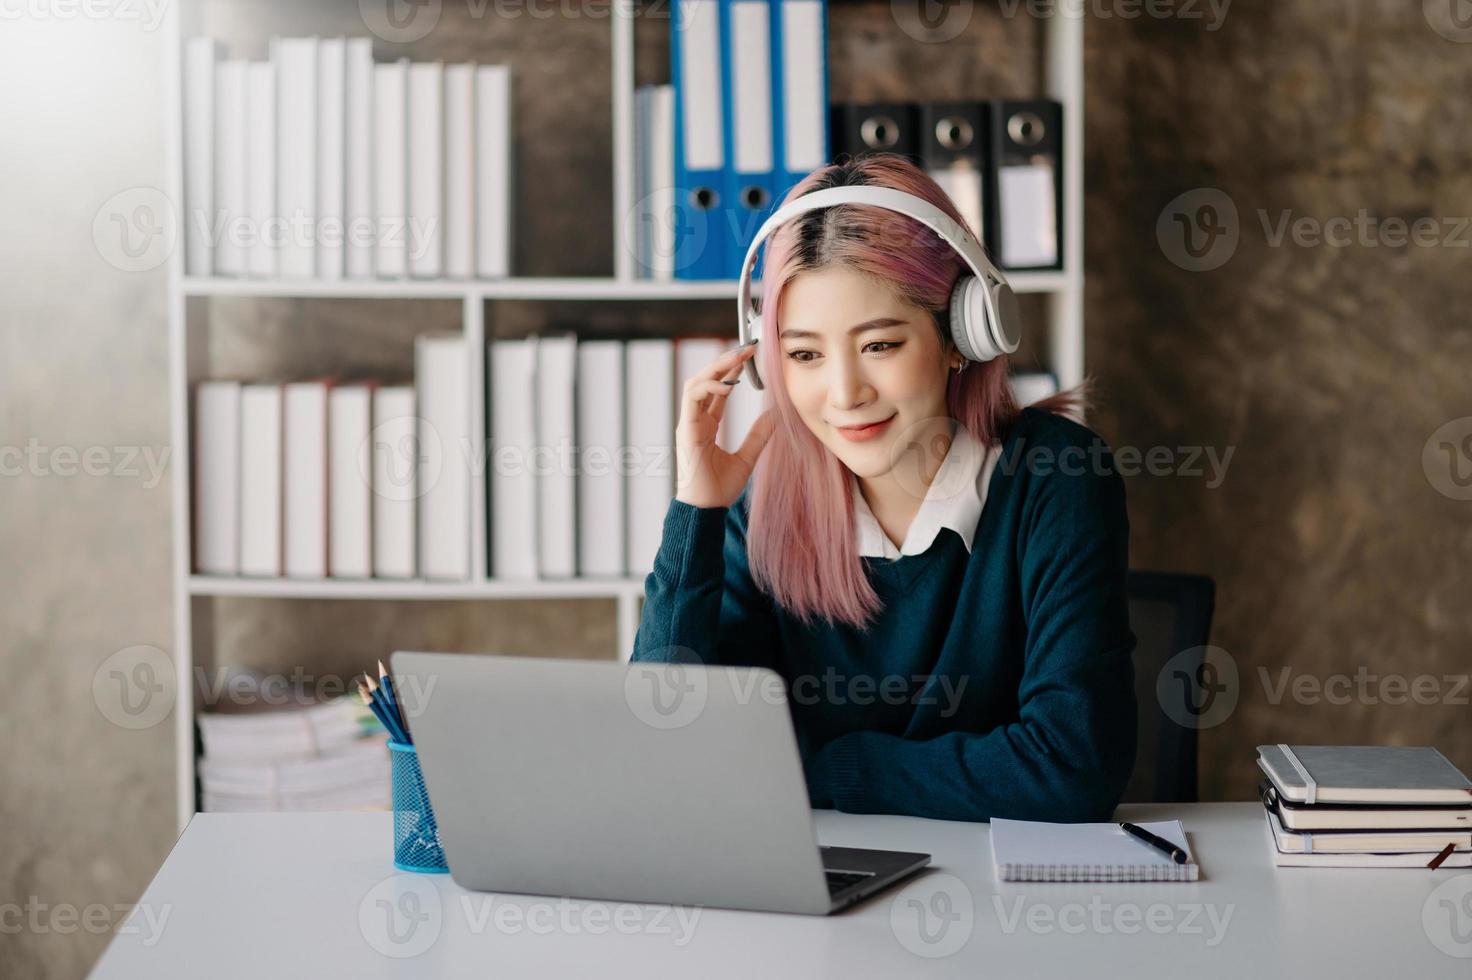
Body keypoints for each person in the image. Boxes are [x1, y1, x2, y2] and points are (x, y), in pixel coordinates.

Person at [630, 153, 1137, 823]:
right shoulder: (762, 495)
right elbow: (668, 746)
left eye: (880, 345)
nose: (844, 395)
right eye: (805, 354)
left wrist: (842, 768)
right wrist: (697, 513)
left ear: (960, 333)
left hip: (1003, 898)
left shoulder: (1057, 478)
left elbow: (1073, 766)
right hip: (816, 887)